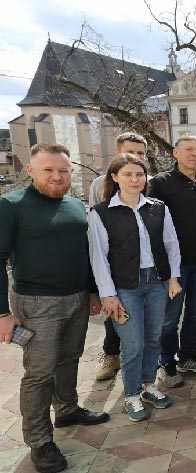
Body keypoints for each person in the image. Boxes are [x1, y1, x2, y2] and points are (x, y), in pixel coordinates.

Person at [0, 144, 109, 473]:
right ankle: (39, 441)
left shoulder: (76, 205)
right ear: (31, 171)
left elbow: (85, 254)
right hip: (35, 303)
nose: (57, 176)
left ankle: (67, 409)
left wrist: (91, 291)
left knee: (69, 358)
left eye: (63, 170)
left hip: (76, 297)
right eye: (48, 170)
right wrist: (3, 314)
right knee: (39, 373)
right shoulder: (11, 204)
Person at [88, 154, 182, 421]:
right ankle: (131, 394)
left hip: (157, 282)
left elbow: (171, 244)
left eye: (139, 175)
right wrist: (108, 294)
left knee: (154, 337)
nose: (134, 179)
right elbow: (99, 257)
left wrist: (173, 278)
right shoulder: (102, 213)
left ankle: (148, 384)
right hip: (125, 286)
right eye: (128, 174)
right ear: (115, 177)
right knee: (133, 342)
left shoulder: (158, 207)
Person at [150, 135, 196, 388]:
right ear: (175, 153)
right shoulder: (160, 183)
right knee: (169, 318)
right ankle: (165, 362)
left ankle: (187, 356)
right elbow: (152, 225)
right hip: (174, 266)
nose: (195, 154)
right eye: (189, 150)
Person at [89, 132, 149, 383]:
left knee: (142, 322)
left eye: (141, 153)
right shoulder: (99, 185)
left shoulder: (146, 182)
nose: (136, 157)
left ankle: (143, 369)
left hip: (145, 266)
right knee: (115, 315)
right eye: (130, 152)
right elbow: (95, 228)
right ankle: (111, 354)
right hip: (115, 266)